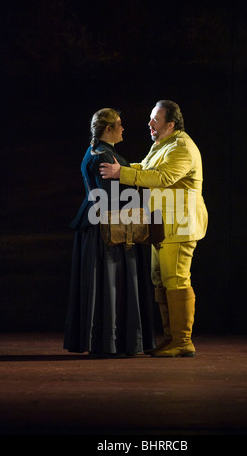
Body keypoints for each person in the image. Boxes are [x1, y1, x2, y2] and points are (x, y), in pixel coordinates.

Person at [99, 100, 208, 357]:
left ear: (170, 124)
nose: (150, 123)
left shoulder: (181, 147)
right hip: (163, 226)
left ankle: (183, 342)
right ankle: (172, 339)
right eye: (150, 119)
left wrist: (121, 174)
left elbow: (162, 178)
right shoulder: (163, 144)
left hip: (180, 226)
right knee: (160, 280)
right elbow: (146, 168)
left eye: (155, 120)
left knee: (177, 279)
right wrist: (123, 168)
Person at [64, 108, 155, 358]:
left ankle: (109, 341)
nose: (123, 128)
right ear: (108, 129)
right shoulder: (104, 154)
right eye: (119, 124)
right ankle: (109, 342)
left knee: (107, 282)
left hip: (100, 223)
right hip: (107, 229)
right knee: (109, 281)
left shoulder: (100, 151)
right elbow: (112, 196)